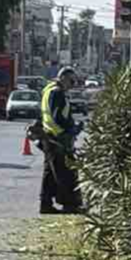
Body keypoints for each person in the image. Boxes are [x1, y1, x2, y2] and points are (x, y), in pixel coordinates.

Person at [40, 67, 84, 215]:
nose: (72, 85)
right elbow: (57, 117)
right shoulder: (57, 93)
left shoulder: (48, 90)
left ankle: (45, 204)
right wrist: (72, 129)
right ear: (63, 78)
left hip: (49, 136)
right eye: (71, 81)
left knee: (50, 174)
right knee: (66, 173)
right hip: (57, 138)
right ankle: (70, 204)